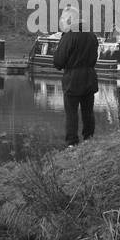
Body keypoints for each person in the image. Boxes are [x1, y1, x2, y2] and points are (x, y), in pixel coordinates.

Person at [51, 8, 98, 147]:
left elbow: (58, 61)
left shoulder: (69, 36)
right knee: (88, 112)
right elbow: (94, 58)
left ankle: (72, 142)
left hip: (73, 79)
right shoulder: (91, 35)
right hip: (90, 77)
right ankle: (89, 138)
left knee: (71, 113)